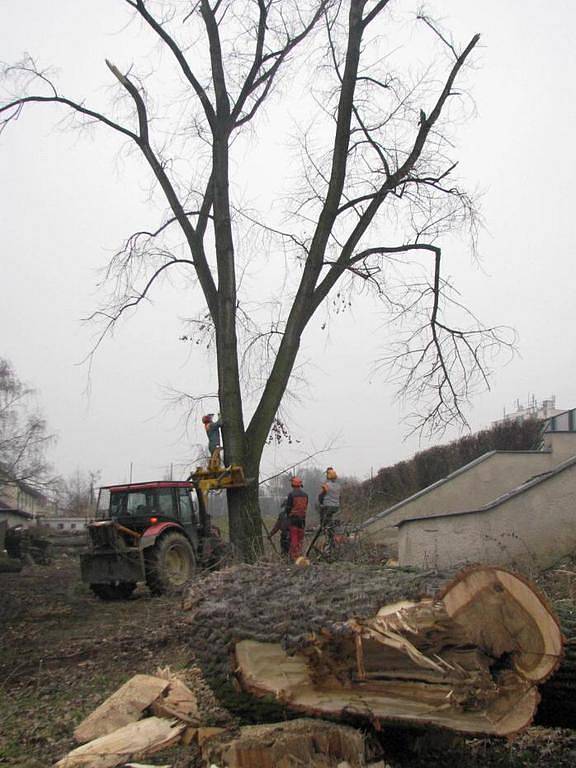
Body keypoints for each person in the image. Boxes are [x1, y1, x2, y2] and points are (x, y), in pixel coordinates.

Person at [283, 476, 308, 560]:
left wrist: (287, 515)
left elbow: (288, 508)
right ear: (300, 485)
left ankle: (294, 557)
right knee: (300, 538)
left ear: (292, 485)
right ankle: (300, 555)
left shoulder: (291, 495)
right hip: (302, 519)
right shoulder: (305, 495)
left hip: (293, 519)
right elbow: (305, 506)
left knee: (294, 538)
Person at [318, 467, 341, 536]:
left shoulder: (327, 485)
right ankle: (330, 526)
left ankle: (323, 527)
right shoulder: (338, 486)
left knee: (322, 511)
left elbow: (321, 495)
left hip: (328, 506)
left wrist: (321, 502)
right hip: (336, 506)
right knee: (330, 517)